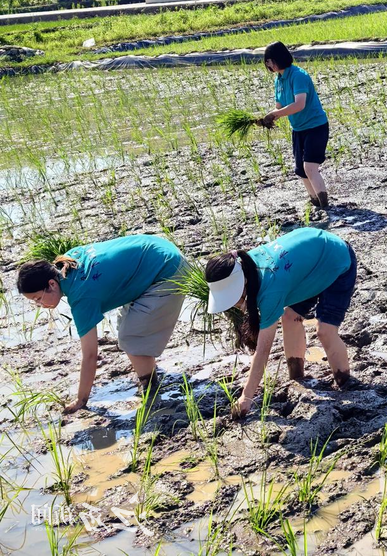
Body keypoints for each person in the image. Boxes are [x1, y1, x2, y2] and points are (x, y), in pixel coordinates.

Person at [16, 235, 187, 414]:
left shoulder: (81, 295)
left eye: (38, 298)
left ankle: (151, 389)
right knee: (125, 325)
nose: (40, 305)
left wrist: (81, 400)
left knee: (131, 338)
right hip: (160, 249)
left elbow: (90, 356)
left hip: (169, 271)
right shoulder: (67, 262)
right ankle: (147, 367)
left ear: (51, 284)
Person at [205, 228, 357, 418]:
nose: (233, 305)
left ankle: (345, 384)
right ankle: (297, 378)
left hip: (336, 261)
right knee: (289, 316)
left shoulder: (270, 290)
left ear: (242, 284)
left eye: (232, 298)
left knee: (325, 331)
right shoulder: (246, 266)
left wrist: (246, 397)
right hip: (304, 269)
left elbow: (263, 351)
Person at [258, 41, 331, 208]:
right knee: (300, 170)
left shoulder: (298, 76)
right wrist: (264, 119)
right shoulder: (279, 80)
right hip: (298, 129)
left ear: (278, 59)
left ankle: (325, 206)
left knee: (310, 167)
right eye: (266, 61)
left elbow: (299, 105)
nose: (267, 64)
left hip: (315, 127)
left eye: (269, 60)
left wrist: (274, 114)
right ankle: (315, 203)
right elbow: (279, 107)